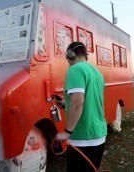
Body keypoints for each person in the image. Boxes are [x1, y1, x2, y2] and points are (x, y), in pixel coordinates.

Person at [55, 42, 107, 172]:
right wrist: (66, 103)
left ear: (70, 55)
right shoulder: (96, 72)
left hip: (82, 137)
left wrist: (67, 132)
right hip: (99, 134)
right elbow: (90, 100)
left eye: (67, 57)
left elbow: (78, 102)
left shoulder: (75, 69)